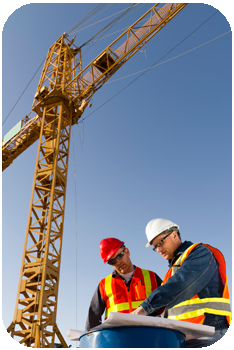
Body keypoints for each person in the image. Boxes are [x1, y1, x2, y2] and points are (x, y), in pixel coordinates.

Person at [131, 218, 231, 348]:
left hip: (210, 333)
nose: (159, 249)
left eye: (160, 242)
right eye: (155, 247)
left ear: (174, 234)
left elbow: (180, 284)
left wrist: (145, 308)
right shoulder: (173, 270)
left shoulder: (200, 253)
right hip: (184, 337)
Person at [85, 237, 162, 332]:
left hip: (149, 336)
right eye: (112, 261)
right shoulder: (104, 284)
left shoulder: (151, 277)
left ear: (127, 251)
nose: (118, 262)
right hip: (117, 339)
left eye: (119, 256)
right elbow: (93, 317)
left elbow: (167, 305)